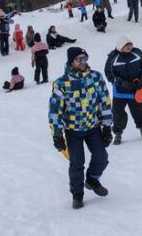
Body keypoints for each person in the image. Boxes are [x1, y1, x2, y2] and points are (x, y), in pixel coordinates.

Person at [49, 47, 113, 209]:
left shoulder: (96, 77)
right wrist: (57, 135)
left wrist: (106, 127)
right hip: (73, 131)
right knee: (77, 164)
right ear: (71, 62)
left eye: (85, 58)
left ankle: (91, 180)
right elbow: (55, 111)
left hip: (93, 127)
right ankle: (77, 194)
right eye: (79, 59)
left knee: (102, 157)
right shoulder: (62, 83)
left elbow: (105, 102)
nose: (83, 62)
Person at [104, 36, 142, 144]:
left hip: (136, 90)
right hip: (120, 92)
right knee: (118, 114)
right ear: (120, 46)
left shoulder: (137, 53)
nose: (129, 47)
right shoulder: (113, 57)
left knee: (139, 112)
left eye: (130, 44)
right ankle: (118, 134)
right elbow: (109, 73)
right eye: (126, 45)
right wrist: (120, 83)